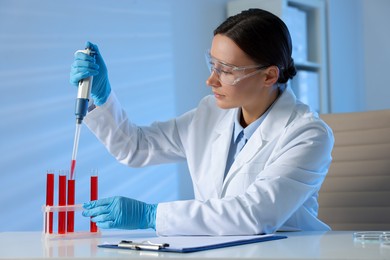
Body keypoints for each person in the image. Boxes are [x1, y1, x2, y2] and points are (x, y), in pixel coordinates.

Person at [70, 8, 334, 236]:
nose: (211, 80)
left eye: (226, 71)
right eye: (212, 64)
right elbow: (136, 147)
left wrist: (150, 216)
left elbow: (255, 214)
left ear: (269, 76)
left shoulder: (307, 134)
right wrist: (102, 97)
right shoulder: (210, 114)